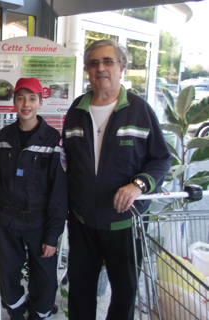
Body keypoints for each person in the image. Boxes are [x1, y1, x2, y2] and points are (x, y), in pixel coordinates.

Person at [63, 39, 172, 320]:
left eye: (108, 61)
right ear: (87, 70)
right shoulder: (76, 110)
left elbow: (161, 158)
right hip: (82, 220)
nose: (101, 68)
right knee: (80, 291)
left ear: (121, 68)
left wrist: (139, 185)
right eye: (94, 63)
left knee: (124, 294)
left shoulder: (140, 110)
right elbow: (69, 160)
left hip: (124, 221)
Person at [0, 78, 67, 320]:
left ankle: (39, 314)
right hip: (7, 222)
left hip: (39, 224)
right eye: (21, 98)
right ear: (14, 101)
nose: (26, 104)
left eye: (32, 98)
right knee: (8, 277)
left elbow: (59, 192)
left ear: (40, 102)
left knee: (45, 281)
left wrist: (52, 235)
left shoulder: (52, 139)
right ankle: (16, 312)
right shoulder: (4, 136)